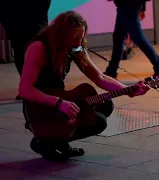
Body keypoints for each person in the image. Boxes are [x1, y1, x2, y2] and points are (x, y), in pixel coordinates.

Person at [19, 11, 150, 162]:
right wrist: (58, 103)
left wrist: (129, 90)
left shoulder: (75, 47)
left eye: (81, 37)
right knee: (98, 120)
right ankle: (45, 141)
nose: (78, 42)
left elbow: (99, 77)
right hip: (40, 107)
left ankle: (59, 141)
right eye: (74, 37)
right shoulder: (39, 48)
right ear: (61, 35)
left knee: (104, 105)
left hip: (60, 98)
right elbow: (25, 89)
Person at [105, 0, 159, 80]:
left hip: (129, 5)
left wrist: (142, 8)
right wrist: (142, 8)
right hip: (126, 5)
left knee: (137, 37)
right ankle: (111, 71)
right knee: (118, 37)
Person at [0, 0, 51, 100]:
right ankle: (29, 87)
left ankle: (37, 88)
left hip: (33, 21)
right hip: (17, 22)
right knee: (21, 53)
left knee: (34, 52)